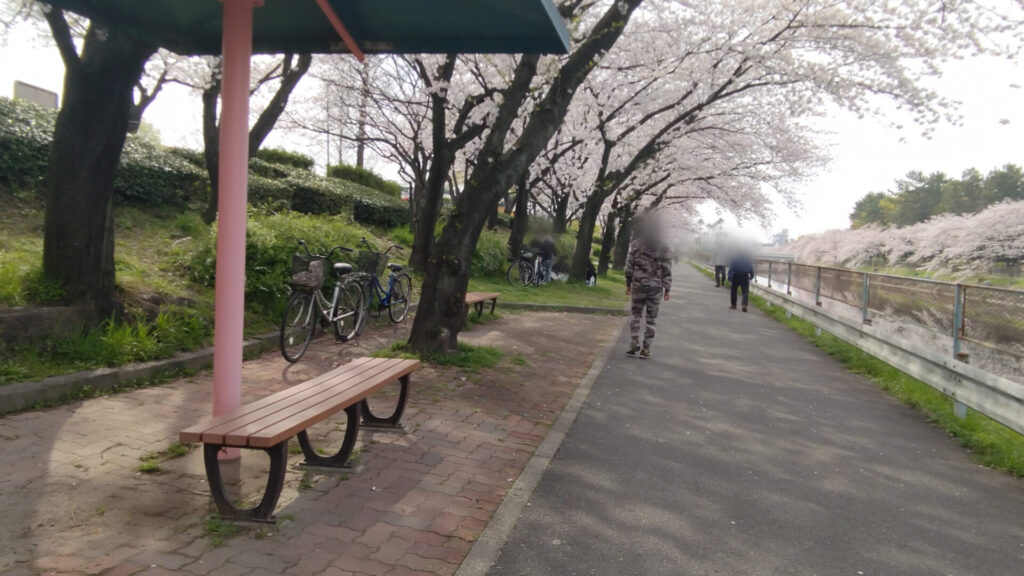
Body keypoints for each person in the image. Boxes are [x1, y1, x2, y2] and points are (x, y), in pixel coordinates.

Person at [625, 216, 672, 359]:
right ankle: (646, 348)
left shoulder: (635, 245)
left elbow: (629, 266)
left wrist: (628, 283)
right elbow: (666, 269)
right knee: (651, 318)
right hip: (655, 287)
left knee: (636, 315)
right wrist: (667, 288)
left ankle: (634, 342)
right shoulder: (664, 247)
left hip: (638, 285)